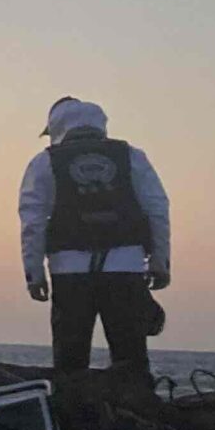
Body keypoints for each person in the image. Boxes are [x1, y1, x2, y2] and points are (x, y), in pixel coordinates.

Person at [19, 96, 170, 382]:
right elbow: (157, 210)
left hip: (69, 273)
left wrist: (34, 274)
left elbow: (32, 221)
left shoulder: (44, 163)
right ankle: (138, 411)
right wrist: (160, 263)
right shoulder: (132, 157)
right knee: (131, 360)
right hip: (126, 270)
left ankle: (73, 419)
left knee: (70, 365)